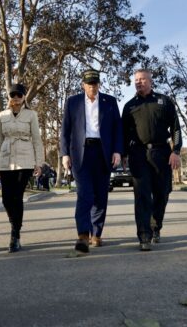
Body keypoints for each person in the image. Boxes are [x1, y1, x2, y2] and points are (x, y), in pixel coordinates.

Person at [61, 69, 123, 253]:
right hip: (80, 154)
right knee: (85, 194)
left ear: (99, 84)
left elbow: (117, 129)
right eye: (89, 83)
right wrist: (65, 154)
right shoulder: (72, 102)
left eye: (95, 83)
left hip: (103, 153)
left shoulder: (110, 102)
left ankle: (96, 233)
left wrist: (118, 151)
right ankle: (82, 236)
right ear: (83, 85)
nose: (92, 87)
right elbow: (65, 130)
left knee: (100, 196)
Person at [122, 69, 182, 251]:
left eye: (142, 79)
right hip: (138, 154)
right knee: (141, 196)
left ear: (150, 81)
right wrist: (124, 154)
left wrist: (176, 151)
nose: (138, 83)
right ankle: (144, 236)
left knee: (162, 193)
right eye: (136, 80)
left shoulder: (164, 101)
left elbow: (176, 129)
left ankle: (156, 225)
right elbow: (123, 133)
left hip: (162, 153)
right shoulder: (129, 106)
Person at [0, 83, 44, 253]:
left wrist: (39, 163)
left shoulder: (31, 115)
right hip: (5, 160)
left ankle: (15, 234)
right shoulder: (2, 115)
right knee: (6, 199)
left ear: (23, 98)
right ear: (9, 97)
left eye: (19, 95)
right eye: (12, 95)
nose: (15, 98)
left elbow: (36, 139)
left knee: (17, 196)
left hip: (25, 160)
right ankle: (15, 223)